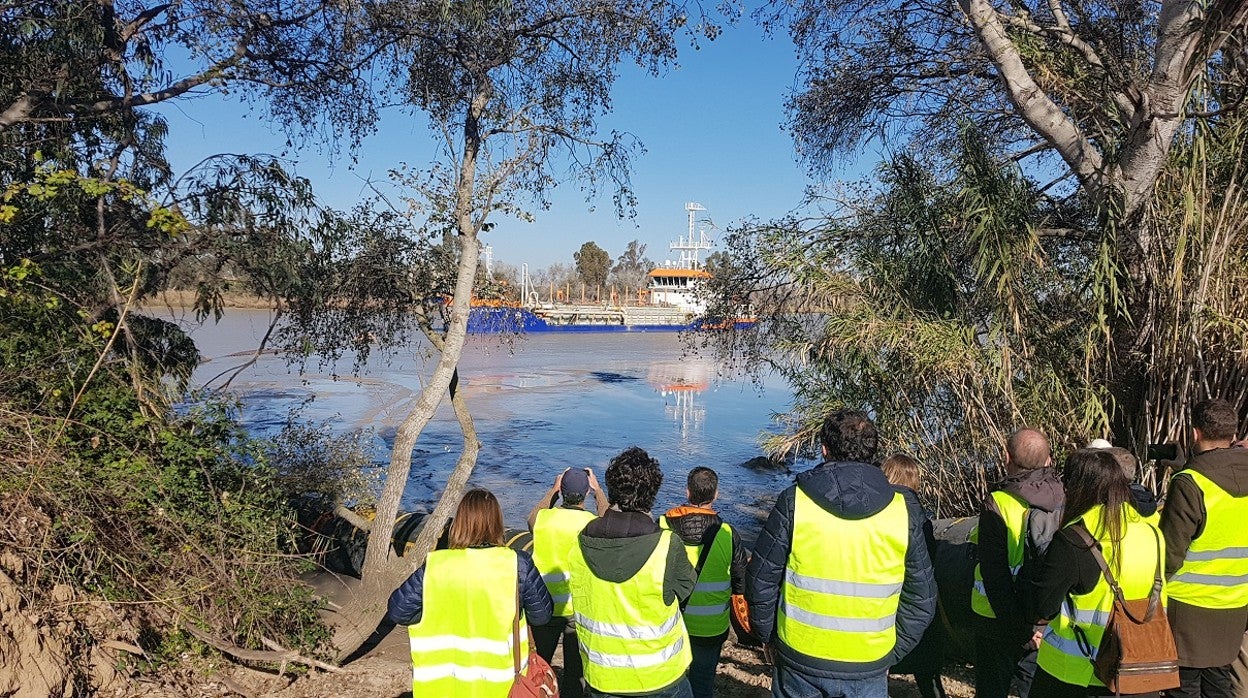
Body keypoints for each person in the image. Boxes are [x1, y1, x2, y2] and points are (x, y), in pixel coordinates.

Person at [746, 410, 937, 698]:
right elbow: (921, 597)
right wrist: (892, 652)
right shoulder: (904, 511)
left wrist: (768, 636)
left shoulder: (795, 501)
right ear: (874, 451)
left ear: (824, 450)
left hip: (800, 657)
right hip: (868, 664)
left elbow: (761, 580)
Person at [1024, 448, 1168, 697]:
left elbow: (1043, 606)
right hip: (1141, 668)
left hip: (1076, 672)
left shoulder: (1075, 538)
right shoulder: (1152, 533)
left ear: (1077, 487)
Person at [388, 488, 554, 697]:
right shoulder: (517, 564)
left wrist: (433, 614)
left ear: (459, 523)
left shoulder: (436, 566)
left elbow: (398, 611)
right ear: (496, 523)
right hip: (503, 685)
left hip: (444, 687)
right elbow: (541, 616)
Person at [566, 446, 697, 697]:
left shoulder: (580, 543)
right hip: (660, 677)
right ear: (653, 493)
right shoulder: (666, 545)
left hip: (602, 677)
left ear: (612, 489)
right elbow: (684, 590)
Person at [1160, 398, 1248, 698]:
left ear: (1195, 433)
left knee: (1183, 688)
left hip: (1188, 607)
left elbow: (1170, 551)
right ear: (1233, 434)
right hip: (1235, 604)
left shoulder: (1189, 482)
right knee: (1219, 683)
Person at [969, 427, 1065, 698]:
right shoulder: (1066, 500)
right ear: (1048, 461)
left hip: (996, 620)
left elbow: (994, 574)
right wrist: (1036, 627)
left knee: (991, 690)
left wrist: (1019, 631)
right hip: (1045, 621)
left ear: (1006, 456)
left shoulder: (997, 503)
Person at [658, 466, 749, 698]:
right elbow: (740, 583)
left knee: (668, 683)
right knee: (703, 683)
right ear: (716, 494)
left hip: (670, 623)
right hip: (711, 626)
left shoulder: (663, 526)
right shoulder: (728, 533)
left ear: (687, 492)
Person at [527, 467, 606, 698]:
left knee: (540, 663)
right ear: (585, 494)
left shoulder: (543, 520)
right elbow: (609, 520)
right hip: (577, 607)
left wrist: (552, 490)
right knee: (575, 672)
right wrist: (598, 492)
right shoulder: (591, 524)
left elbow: (532, 517)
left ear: (562, 491)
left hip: (544, 605)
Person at [880, 454, 948, 698]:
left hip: (884, 597)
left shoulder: (876, 512)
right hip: (916, 602)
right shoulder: (920, 519)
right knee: (928, 671)